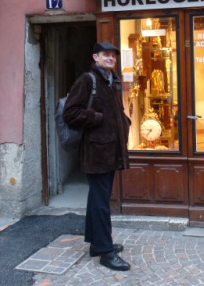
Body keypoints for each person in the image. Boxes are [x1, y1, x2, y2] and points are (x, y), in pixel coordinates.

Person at [63, 42, 131, 272]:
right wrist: (97, 118)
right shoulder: (88, 80)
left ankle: (95, 244)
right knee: (102, 203)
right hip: (97, 152)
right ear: (96, 56)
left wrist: (124, 123)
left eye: (113, 55)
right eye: (106, 55)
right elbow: (71, 112)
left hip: (109, 150)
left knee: (97, 199)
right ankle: (105, 252)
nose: (111, 58)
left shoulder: (112, 80)